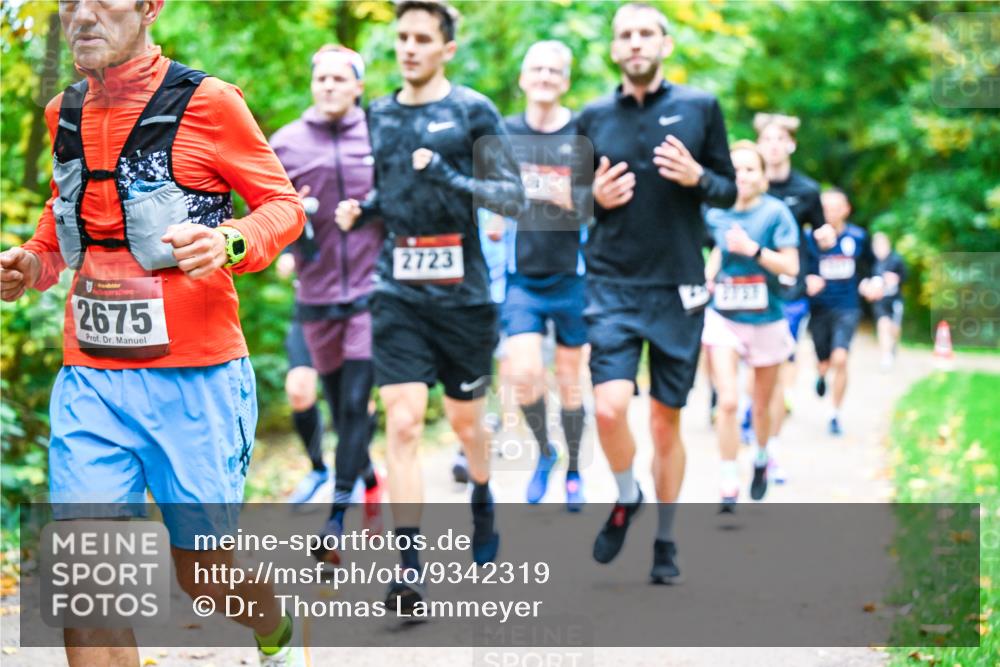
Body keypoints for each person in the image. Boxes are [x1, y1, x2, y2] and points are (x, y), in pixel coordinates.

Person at [0, 1, 306, 665]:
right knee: (88, 583)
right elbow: (65, 220)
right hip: (92, 380)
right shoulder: (65, 112)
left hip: (196, 379)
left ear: (149, 7)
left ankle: (276, 631)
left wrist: (230, 239)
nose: (79, 13)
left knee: (205, 573)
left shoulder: (211, 103)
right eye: (67, 1)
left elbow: (283, 206)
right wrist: (33, 261)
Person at [335, 0, 524, 611]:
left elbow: (511, 196)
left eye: (422, 38)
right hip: (397, 290)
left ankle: (483, 500)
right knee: (405, 420)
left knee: (468, 424)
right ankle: (408, 566)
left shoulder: (473, 110)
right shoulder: (379, 113)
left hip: (463, 294)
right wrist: (362, 209)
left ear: (447, 49)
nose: (409, 47)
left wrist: (449, 175)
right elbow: (391, 192)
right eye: (402, 37)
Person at [576, 2, 736, 583]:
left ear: (664, 43)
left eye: (646, 33)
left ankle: (665, 539)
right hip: (612, 283)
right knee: (609, 407)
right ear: (615, 49)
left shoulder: (701, 107)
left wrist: (699, 179)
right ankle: (626, 493)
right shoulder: (591, 116)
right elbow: (562, 205)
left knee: (667, 422)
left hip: (679, 287)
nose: (636, 43)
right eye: (625, 35)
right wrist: (594, 198)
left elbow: (728, 190)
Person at [270, 44, 383, 562]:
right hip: (314, 297)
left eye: (341, 78)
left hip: (370, 293)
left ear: (359, 85)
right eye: (323, 79)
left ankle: (336, 518)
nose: (331, 86)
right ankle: (362, 478)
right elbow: (271, 210)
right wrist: (286, 250)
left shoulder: (380, 132)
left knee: (357, 405)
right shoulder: (287, 143)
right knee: (335, 405)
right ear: (313, 84)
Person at [503, 40, 591, 511]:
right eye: (535, 68)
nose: (544, 76)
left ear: (565, 80)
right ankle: (546, 452)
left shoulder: (583, 132)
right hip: (522, 278)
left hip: (573, 274)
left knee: (572, 379)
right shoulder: (503, 132)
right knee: (524, 375)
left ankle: (575, 467)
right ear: (523, 77)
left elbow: (601, 201)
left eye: (553, 70)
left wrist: (567, 197)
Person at [702, 141, 799, 510]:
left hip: (767, 320)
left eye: (749, 169)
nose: (742, 176)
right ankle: (728, 476)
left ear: (762, 176)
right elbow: (717, 249)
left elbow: (791, 267)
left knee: (760, 406)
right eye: (736, 169)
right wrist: (709, 274)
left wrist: (754, 251)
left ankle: (760, 457)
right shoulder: (716, 213)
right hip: (723, 318)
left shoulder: (776, 214)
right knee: (727, 401)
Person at [752, 112, 832, 481]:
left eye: (779, 139)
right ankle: (746, 415)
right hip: (745, 289)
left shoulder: (807, 190)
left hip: (789, 290)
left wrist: (821, 252)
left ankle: (772, 452)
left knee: (781, 367)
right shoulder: (746, 184)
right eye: (765, 139)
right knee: (750, 374)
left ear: (791, 145)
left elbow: (819, 233)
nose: (772, 145)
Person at [806, 188, 875, 436]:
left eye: (836, 207)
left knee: (841, 358)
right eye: (826, 208)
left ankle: (834, 414)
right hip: (819, 308)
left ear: (846, 209)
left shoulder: (858, 237)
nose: (831, 213)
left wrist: (871, 281)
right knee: (824, 361)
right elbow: (801, 267)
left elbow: (870, 267)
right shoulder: (810, 238)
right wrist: (807, 280)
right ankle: (821, 374)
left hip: (848, 307)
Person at [869, 231, 906, 369]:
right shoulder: (874, 263)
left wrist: (895, 279)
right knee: (883, 325)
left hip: (895, 300)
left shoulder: (896, 260)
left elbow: (904, 277)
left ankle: (893, 347)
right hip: (880, 300)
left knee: (894, 329)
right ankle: (886, 356)